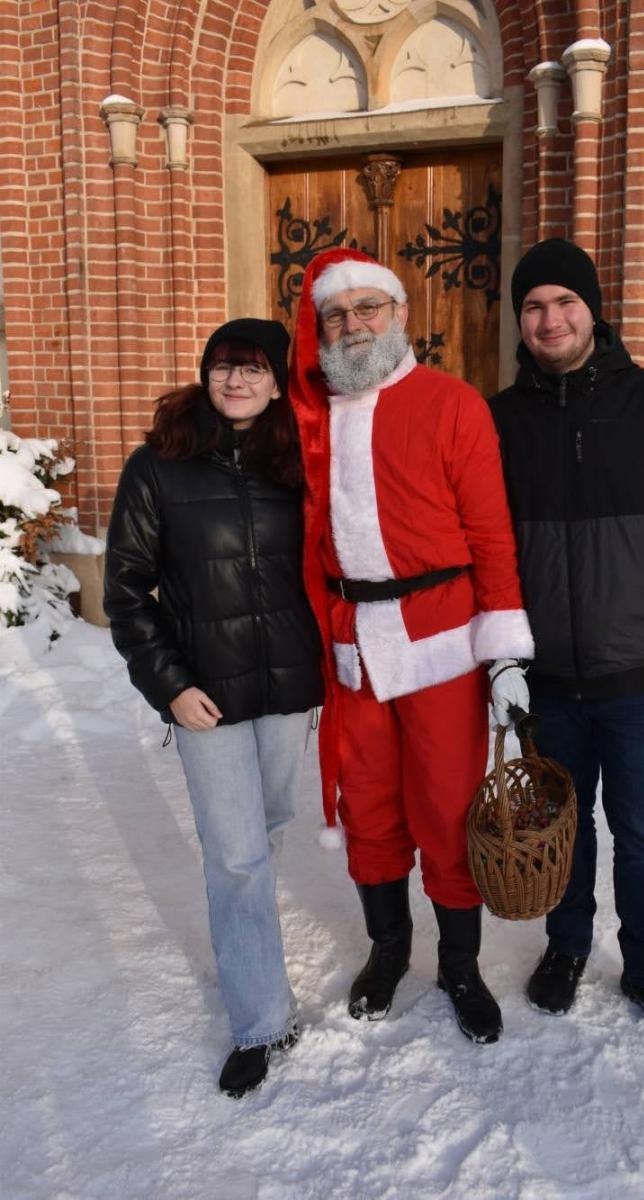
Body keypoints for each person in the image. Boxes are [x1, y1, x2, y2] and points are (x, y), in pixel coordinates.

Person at [489, 238, 644, 1045]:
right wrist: (496, 656)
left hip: (643, 679)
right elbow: (478, 545)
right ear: (519, 322)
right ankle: (566, 950)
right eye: (533, 307)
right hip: (548, 680)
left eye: (564, 302)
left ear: (593, 308)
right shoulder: (499, 421)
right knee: (562, 829)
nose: (550, 319)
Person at [288, 248, 534, 1044]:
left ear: (400, 315)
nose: (353, 325)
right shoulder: (311, 417)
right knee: (370, 804)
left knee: (448, 805)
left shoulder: (451, 403)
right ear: (320, 330)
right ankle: (389, 950)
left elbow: (492, 534)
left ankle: (458, 964)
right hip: (356, 645)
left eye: (368, 309)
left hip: (441, 641)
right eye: (337, 314)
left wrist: (503, 651)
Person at [104, 319, 324, 1097]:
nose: (236, 381)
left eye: (254, 369)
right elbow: (125, 593)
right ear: (206, 374)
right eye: (224, 367)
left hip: (291, 689)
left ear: (276, 381)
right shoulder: (159, 465)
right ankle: (262, 1019)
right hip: (207, 697)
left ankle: (250, 939)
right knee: (235, 856)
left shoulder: (298, 460)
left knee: (261, 833)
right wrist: (168, 684)